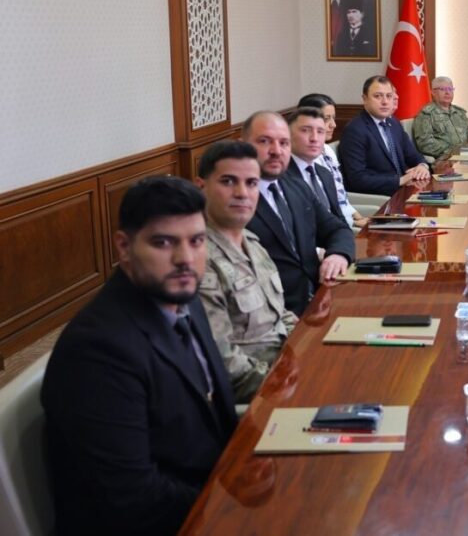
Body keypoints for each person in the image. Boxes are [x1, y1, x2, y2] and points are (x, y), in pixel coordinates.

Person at [41, 176, 237, 535]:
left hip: (206, 493)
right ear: (124, 246)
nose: (185, 259)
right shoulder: (97, 350)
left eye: (196, 241)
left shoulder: (183, 297)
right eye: (163, 242)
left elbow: (214, 417)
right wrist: (233, 507)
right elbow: (132, 498)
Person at [196, 141, 298, 404]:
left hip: (290, 368)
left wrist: (310, 349)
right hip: (260, 396)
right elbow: (223, 360)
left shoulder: (253, 242)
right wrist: (288, 382)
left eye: (252, 183)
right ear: (201, 187)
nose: (242, 193)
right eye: (228, 181)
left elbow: (280, 315)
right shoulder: (198, 259)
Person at [241, 111, 355, 316]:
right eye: (264, 141)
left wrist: (338, 255)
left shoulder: (297, 187)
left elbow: (337, 229)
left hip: (319, 300)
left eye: (283, 143)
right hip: (274, 314)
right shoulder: (234, 201)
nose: (276, 151)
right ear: (243, 146)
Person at [338, 75, 431, 196]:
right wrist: (400, 180)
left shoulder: (393, 123)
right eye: (378, 96)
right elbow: (357, 179)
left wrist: (422, 166)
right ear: (365, 99)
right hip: (380, 197)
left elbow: (414, 156)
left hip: (405, 190)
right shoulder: (355, 130)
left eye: (389, 96)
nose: (385, 102)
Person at [297, 93, 367, 228]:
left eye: (333, 118)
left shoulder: (328, 150)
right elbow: (320, 206)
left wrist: (358, 217)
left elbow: (340, 194)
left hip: (344, 221)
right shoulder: (305, 159)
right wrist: (353, 223)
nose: (333, 125)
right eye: (326, 119)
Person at [283, 107, 343, 220]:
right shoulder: (281, 178)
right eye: (305, 130)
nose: (314, 138)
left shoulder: (325, 173)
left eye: (320, 131)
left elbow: (339, 219)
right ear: (288, 135)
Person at [412, 76, 468, 159]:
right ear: (433, 92)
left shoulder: (459, 112)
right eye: (443, 89)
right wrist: (454, 151)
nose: (447, 92)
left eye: (450, 89)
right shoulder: (426, 115)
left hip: (465, 154)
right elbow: (425, 144)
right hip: (445, 159)